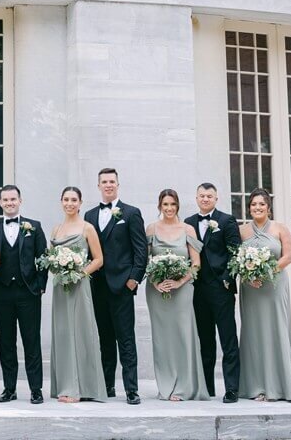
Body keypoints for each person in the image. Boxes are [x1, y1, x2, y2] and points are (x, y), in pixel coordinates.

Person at [83, 167, 147, 404]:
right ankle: (107, 386)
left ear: (118, 185)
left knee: (126, 339)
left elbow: (141, 250)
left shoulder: (131, 213)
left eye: (112, 181)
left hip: (122, 287)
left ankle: (131, 389)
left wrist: (133, 280)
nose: (108, 185)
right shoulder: (89, 215)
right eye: (104, 182)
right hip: (97, 287)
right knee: (105, 339)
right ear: (98, 185)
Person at [144, 189, 208, 402]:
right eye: (165, 205)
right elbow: (144, 261)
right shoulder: (151, 228)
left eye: (172, 204)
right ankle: (166, 386)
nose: (169, 208)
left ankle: (184, 386)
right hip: (157, 290)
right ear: (160, 206)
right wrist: (155, 282)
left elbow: (196, 263)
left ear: (178, 206)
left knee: (183, 335)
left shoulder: (188, 229)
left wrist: (180, 281)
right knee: (162, 339)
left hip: (182, 291)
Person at [238, 188, 291, 402]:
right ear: (249, 207)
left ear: (268, 207)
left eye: (261, 204)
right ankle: (255, 387)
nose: (257, 208)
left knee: (276, 330)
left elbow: (287, 257)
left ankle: (279, 388)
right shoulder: (242, 231)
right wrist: (248, 276)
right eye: (254, 204)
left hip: (273, 286)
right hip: (251, 288)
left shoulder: (280, 229)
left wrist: (265, 273)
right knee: (254, 334)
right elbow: (237, 260)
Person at [0, 184, 47, 405]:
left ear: (20, 201)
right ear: (0, 203)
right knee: (6, 342)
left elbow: (43, 258)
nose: (9, 203)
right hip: (0, 292)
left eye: (13, 199)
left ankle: (35, 389)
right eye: (5, 200)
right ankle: (9, 388)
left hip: (28, 292)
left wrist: (40, 285)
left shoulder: (34, 226)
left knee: (31, 341)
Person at [48, 186, 106, 403]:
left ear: (80, 203)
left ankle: (79, 388)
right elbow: (51, 258)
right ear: (61, 202)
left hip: (79, 286)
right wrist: (58, 269)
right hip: (60, 287)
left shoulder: (87, 228)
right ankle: (64, 384)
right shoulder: (55, 229)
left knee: (80, 333)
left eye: (74, 200)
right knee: (63, 333)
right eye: (66, 199)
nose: (70, 203)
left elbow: (99, 259)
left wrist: (79, 273)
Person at [185, 182, 242, 402]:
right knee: (205, 340)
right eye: (202, 196)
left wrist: (228, 279)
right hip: (198, 290)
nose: (205, 199)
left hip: (221, 289)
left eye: (209, 196)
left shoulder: (226, 220)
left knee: (228, 340)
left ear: (216, 198)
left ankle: (232, 389)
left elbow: (235, 253)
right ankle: (207, 388)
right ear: (197, 198)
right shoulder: (188, 223)